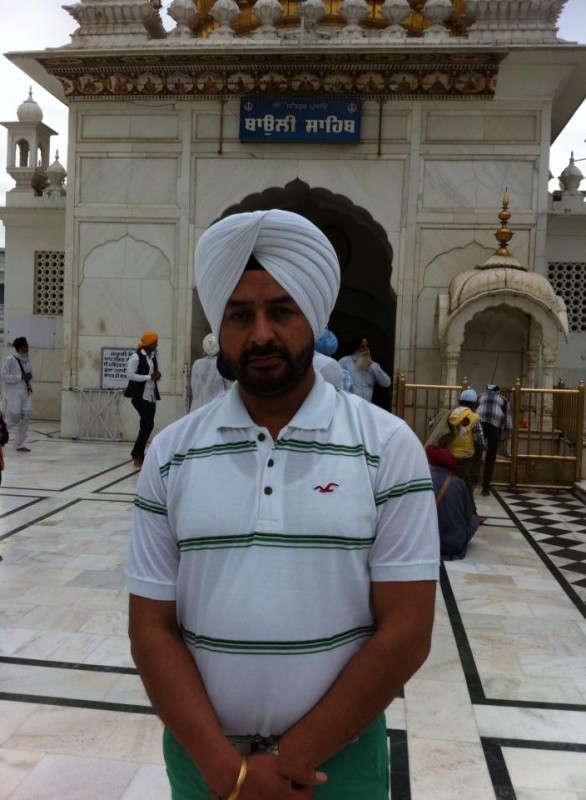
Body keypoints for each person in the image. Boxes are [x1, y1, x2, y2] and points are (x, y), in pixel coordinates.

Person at [126, 209, 439, 800]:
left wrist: (288, 762)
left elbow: (407, 631)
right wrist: (229, 771)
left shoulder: (387, 447)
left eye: (282, 310)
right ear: (221, 325)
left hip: (335, 768)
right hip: (205, 762)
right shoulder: (170, 455)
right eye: (240, 315)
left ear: (315, 317)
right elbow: (152, 631)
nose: (262, 334)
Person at [426, 445, 483, 560]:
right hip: (455, 544)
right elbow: (467, 517)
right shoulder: (459, 483)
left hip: (428, 544)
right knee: (474, 519)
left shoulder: (425, 480)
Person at [124, 331, 161, 468]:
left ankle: (139, 454)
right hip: (140, 396)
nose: (156, 345)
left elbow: (153, 373)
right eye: (155, 342)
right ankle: (137, 454)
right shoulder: (136, 357)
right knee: (147, 424)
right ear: (149, 343)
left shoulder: (152, 357)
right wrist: (148, 377)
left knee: (148, 425)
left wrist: (157, 375)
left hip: (151, 396)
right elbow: (130, 375)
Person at [475, 383, 513, 496]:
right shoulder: (503, 400)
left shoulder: (480, 397)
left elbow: (473, 413)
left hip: (479, 424)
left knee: (476, 454)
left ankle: (471, 483)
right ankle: (486, 488)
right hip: (495, 427)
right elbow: (509, 423)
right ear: (498, 391)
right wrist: (504, 436)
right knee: (490, 457)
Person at [447, 388, 486, 485]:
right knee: (463, 482)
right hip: (465, 456)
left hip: (448, 454)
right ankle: (466, 499)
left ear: (460, 401)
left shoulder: (451, 413)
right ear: (474, 404)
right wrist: (485, 445)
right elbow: (479, 439)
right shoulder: (474, 417)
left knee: (449, 480)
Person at [1, 337, 33, 452]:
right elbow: (3, 376)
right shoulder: (10, 359)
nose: (26, 348)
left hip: (26, 392)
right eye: (24, 347)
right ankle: (1, 431)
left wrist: (29, 378)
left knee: (27, 415)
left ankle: (19, 444)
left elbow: (30, 375)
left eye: (27, 346)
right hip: (13, 393)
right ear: (19, 348)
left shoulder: (28, 360)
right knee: (14, 417)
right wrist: (20, 377)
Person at [190, 333, 233, 412]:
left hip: (196, 409)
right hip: (214, 410)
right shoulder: (221, 364)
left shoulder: (197, 364)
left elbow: (193, 386)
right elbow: (230, 389)